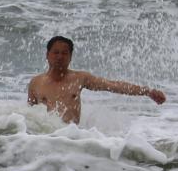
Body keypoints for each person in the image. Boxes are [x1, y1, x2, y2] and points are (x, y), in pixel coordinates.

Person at [27, 36, 166, 124]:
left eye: (65, 53)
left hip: (71, 140)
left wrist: (147, 91)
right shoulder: (36, 83)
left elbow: (112, 85)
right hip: (45, 141)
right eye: (56, 52)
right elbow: (29, 118)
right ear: (47, 55)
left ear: (70, 57)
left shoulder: (79, 78)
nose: (60, 57)